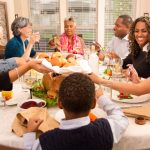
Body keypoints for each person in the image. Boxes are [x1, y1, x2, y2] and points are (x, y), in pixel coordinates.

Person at [24, 73, 128, 150]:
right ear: (93, 103)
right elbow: (120, 117)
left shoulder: (45, 142)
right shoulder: (106, 129)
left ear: (59, 103)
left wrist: (29, 133)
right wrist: (102, 98)